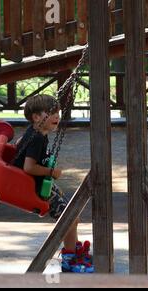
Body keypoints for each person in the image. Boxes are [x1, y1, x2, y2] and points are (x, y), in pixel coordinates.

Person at [14, 95, 93, 273]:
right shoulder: (37, 139)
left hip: (40, 184)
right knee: (69, 218)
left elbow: (19, 144)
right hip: (34, 187)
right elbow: (28, 167)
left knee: (72, 215)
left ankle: (73, 251)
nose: (57, 116)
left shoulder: (35, 132)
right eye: (52, 113)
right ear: (36, 117)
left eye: (58, 112)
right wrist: (52, 172)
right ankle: (69, 260)